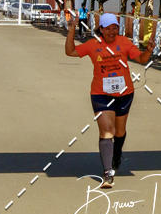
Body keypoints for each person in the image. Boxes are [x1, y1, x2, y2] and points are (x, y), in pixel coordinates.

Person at [65, 12, 155, 188]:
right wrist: (71, 30)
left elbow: (142, 59)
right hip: (101, 94)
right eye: (108, 28)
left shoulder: (124, 43)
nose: (112, 31)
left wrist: (149, 50)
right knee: (107, 131)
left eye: (115, 27)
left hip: (124, 94)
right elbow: (70, 52)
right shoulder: (93, 45)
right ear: (101, 29)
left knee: (119, 131)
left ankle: (117, 153)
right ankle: (107, 173)